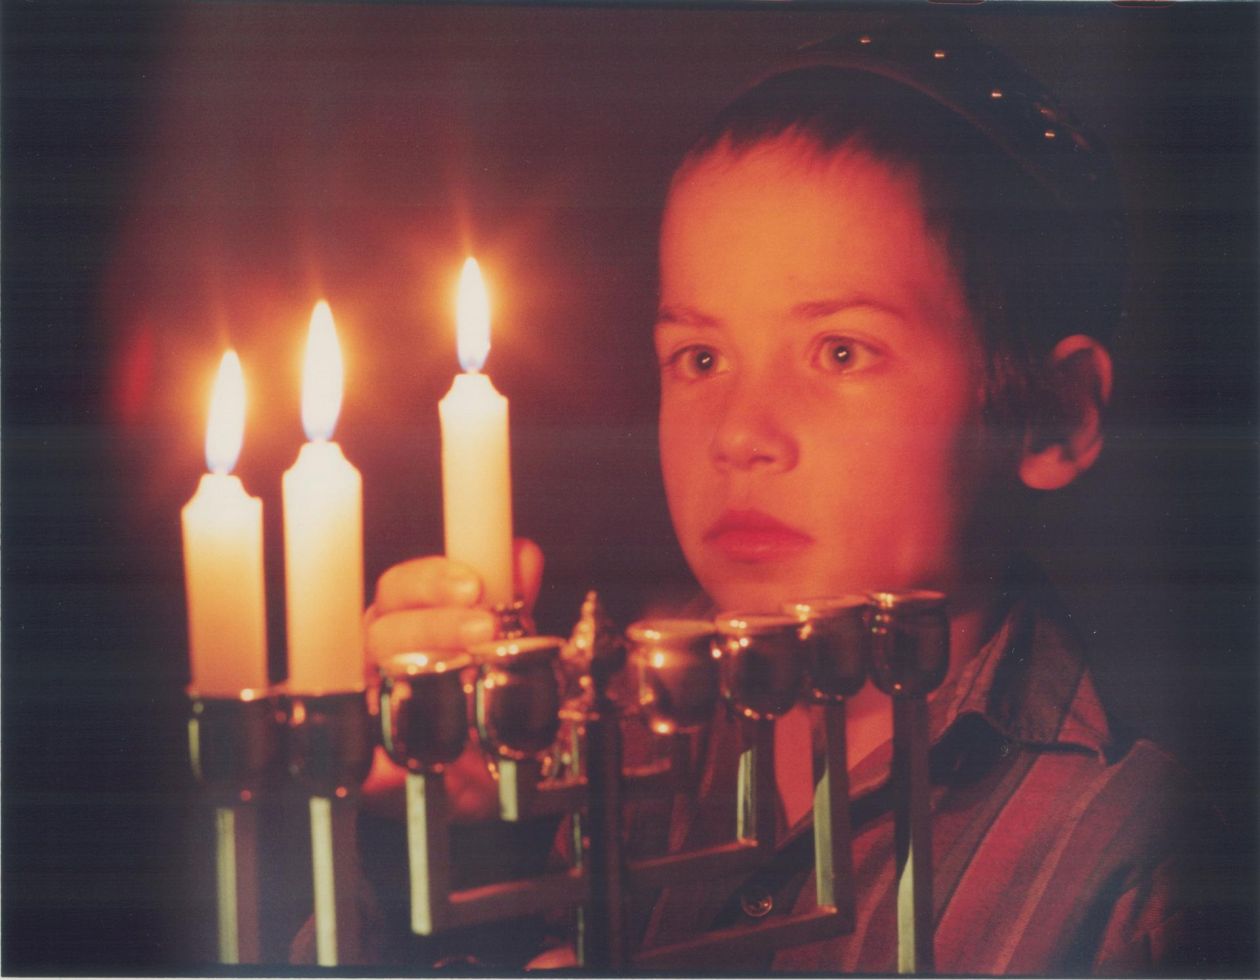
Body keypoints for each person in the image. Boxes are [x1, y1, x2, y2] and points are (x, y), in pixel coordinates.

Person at [308, 17, 1233, 974]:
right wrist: (423, 839)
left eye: (841, 351)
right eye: (699, 358)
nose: (740, 434)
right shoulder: (587, 741)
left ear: (1053, 419)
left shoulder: (1139, 867)